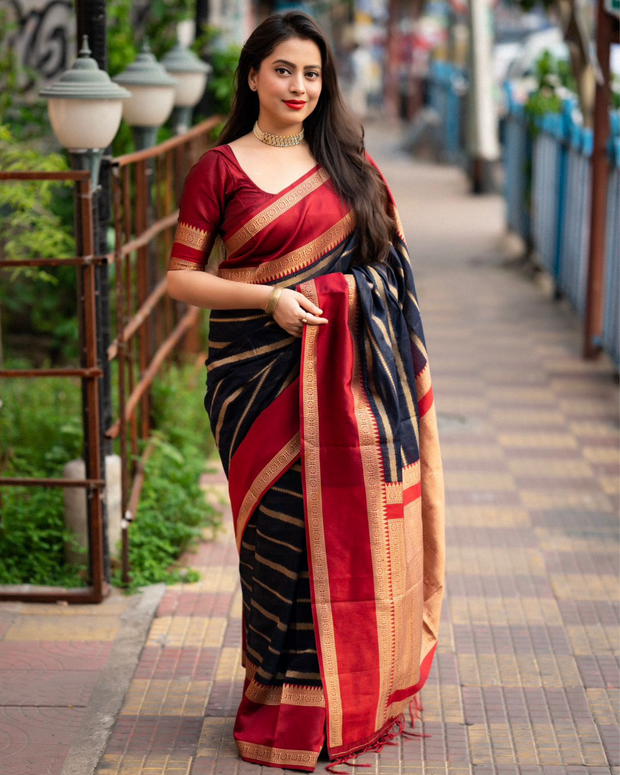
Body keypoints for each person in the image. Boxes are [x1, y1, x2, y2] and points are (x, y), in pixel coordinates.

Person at [166, 10, 445, 773]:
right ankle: (283, 709)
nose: (298, 86)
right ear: (252, 74)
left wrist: (340, 299)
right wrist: (270, 302)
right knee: (278, 546)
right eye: (284, 70)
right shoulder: (218, 169)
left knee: (348, 538)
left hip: (348, 384)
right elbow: (181, 276)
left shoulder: (349, 164)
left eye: (312, 74)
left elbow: (391, 274)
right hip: (254, 385)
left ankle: (341, 701)